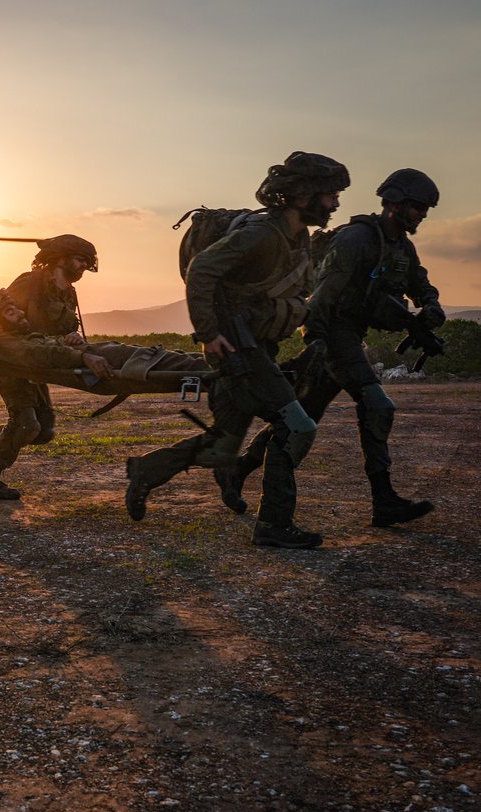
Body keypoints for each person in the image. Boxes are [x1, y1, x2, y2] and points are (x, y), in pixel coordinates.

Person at [124, 151, 351, 548]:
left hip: (257, 348)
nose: (335, 203)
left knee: (222, 450)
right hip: (237, 351)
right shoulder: (262, 234)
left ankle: (146, 470)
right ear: (302, 194)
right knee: (297, 426)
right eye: (330, 194)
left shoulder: (297, 239)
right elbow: (203, 269)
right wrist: (208, 332)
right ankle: (274, 526)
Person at [218, 169, 444, 528]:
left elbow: (420, 281)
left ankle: (237, 470)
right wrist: (318, 341)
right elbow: (322, 296)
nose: (422, 214)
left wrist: (430, 306)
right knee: (377, 405)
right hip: (333, 333)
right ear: (394, 202)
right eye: (417, 206)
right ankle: (383, 501)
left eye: (426, 209)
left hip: (350, 335)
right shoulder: (356, 239)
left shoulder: (401, 246)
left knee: (302, 418)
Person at [0, 235, 113, 499]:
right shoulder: (29, 283)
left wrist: (71, 340)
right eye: (80, 260)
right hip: (13, 359)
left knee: (43, 429)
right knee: (26, 425)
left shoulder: (68, 292)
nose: (83, 268)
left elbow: (63, 329)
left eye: (86, 263)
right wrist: (0, 349)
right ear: (61, 258)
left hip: (42, 358)